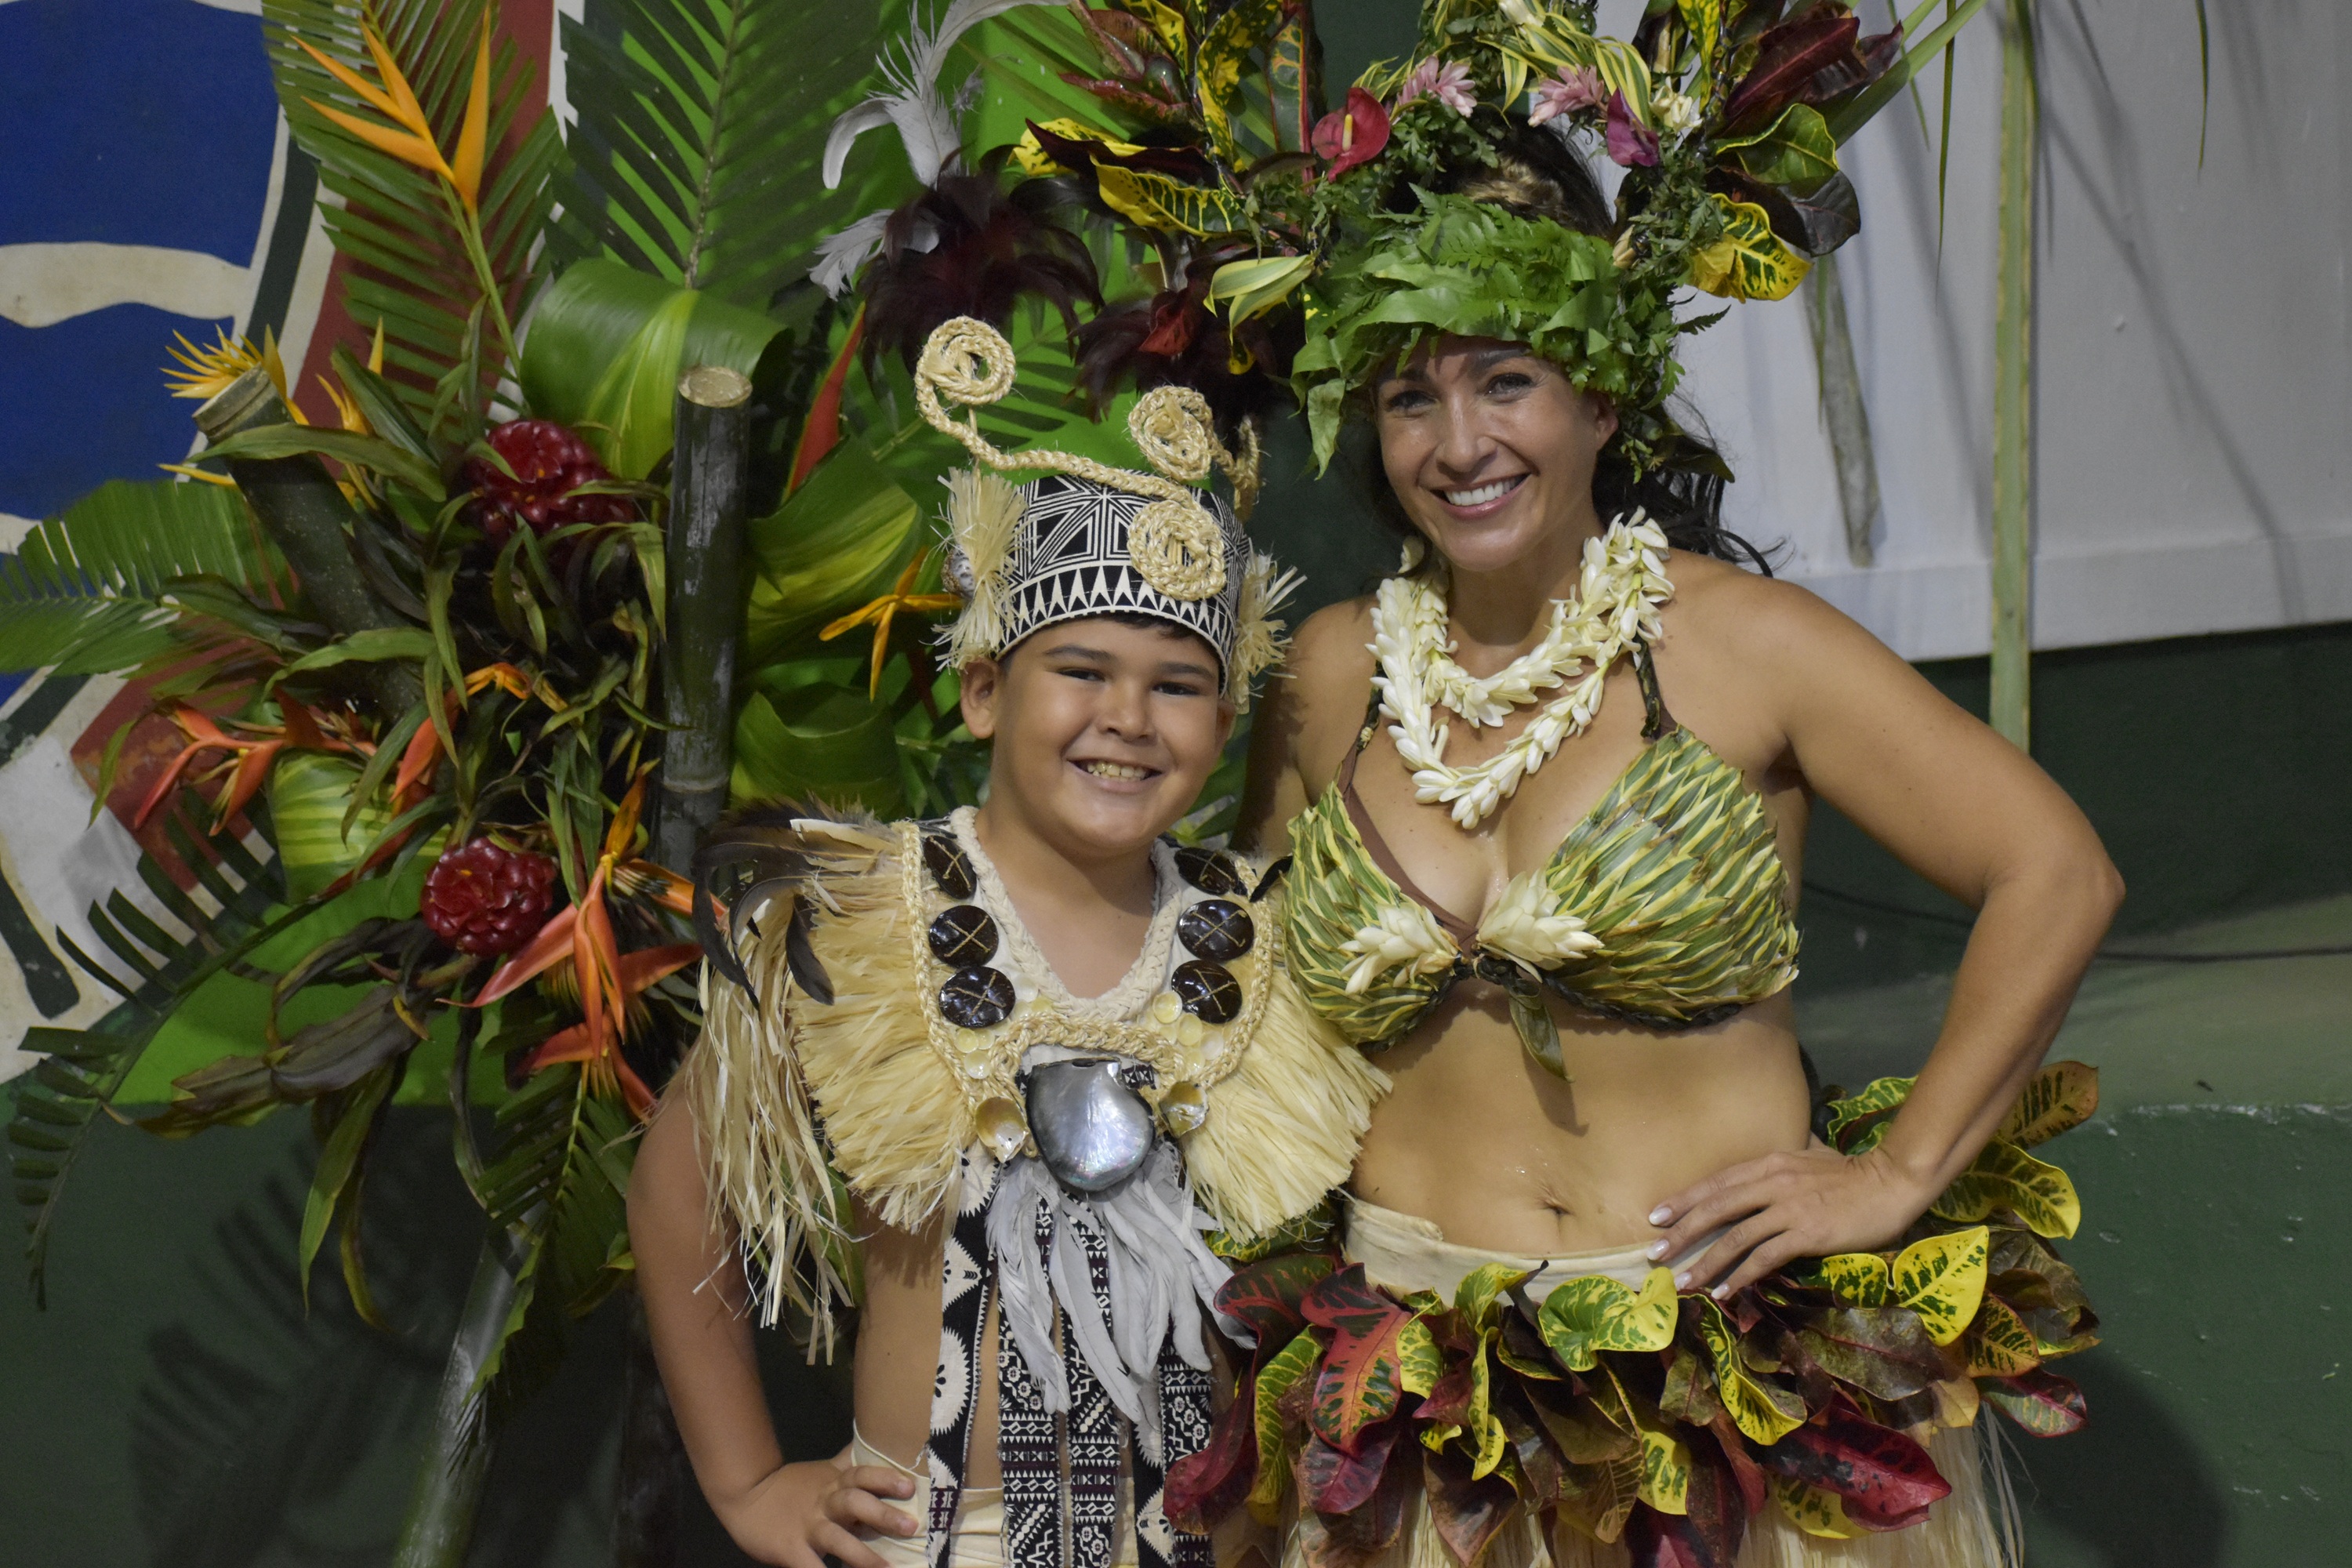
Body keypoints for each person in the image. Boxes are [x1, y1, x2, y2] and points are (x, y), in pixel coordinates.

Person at [1215, 11, 2122, 1568]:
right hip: (1411, 1406)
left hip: (1715, 1415)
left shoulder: (1741, 648)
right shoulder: (1332, 673)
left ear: (1603, 398)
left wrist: (1897, 1173)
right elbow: (1233, 988)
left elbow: (2059, 870)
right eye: (1411, 395)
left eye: (1508, 380)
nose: (1460, 440)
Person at [629, 318, 1385, 1568]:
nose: (1126, 721)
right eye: (1079, 670)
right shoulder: (862, 918)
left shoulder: (1264, 938)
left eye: (1178, 685)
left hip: (1208, 1536)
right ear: (986, 689)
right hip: (935, 1537)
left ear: (1225, 717)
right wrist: (751, 1482)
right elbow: (679, 1190)